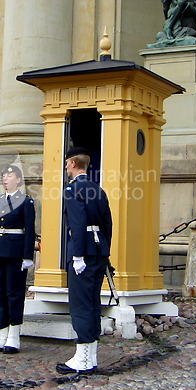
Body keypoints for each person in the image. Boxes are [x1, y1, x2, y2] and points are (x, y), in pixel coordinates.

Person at [56, 147, 112, 375]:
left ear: (71, 163)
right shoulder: (98, 189)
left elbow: (77, 225)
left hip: (83, 252)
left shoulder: (72, 189)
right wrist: (104, 251)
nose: (66, 166)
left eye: (67, 163)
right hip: (98, 250)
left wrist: (77, 256)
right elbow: (107, 224)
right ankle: (91, 356)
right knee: (92, 303)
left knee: (80, 304)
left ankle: (82, 358)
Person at [0, 165, 35, 354]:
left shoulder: (25, 201)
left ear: (18, 179)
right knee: (0, 292)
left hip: (15, 251)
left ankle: (14, 335)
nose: (6, 178)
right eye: (4, 175)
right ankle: (2, 332)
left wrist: (27, 256)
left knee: (14, 292)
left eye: (10, 175)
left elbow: (29, 229)